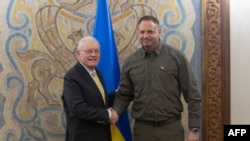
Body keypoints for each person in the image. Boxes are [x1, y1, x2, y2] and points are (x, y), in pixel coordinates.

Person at [110, 15, 201, 141]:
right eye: (142, 32)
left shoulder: (176, 57)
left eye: (150, 31)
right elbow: (124, 94)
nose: (145, 36)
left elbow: (193, 94)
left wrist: (194, 128)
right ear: (138, 33)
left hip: (171, 130)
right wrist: (116, 111)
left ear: (159, 32)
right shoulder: (130, 62)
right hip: (143, 131)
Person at [61, 36, 114, 141]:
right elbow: (77, 109)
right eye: (89, 51)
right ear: (78, 54)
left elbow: (100, 100)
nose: (93, 54)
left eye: (97, 51)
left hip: (101, 135)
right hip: (83, 137)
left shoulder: (98, 73)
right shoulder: (72, 76)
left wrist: (121, 92)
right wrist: (108, 114)